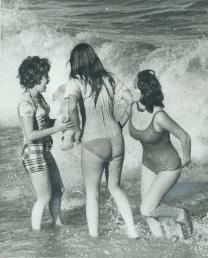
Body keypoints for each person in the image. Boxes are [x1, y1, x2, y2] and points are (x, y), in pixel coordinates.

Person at [65, 43, 138, 238]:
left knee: (92, 193)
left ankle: (94, 236)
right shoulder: (110, 77)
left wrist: (78, 130)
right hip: (116, 138)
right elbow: (131, 100)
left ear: (75, 62)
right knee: (115, 187)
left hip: (93, 140)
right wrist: (121, 122)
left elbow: (72, 107)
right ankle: (132, 231)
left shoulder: (76, 81)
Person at [120, 69, 193, 239]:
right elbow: (118, 126)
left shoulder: (159, 116)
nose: (131, 90)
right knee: (148, 212)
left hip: (168, 167)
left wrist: (186, 159)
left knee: (146, 208)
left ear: (144, 90)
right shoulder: (132, 108)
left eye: (134, 87)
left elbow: (185, 137)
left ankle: (181, 213)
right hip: (148, 164)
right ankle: (160, 244)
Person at [17, 56, 73, 230]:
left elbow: (44, 122)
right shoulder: (26, 103)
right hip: (33, 151)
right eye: (45, 76)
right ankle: (36, 232)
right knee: (44, 196)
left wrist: (61, 122)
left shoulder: (38, 97)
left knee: (59, 190)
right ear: (35, 77)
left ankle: (57, 223)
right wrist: (58, 129)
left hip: (44, 150)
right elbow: (31, 134)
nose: (47, 79)